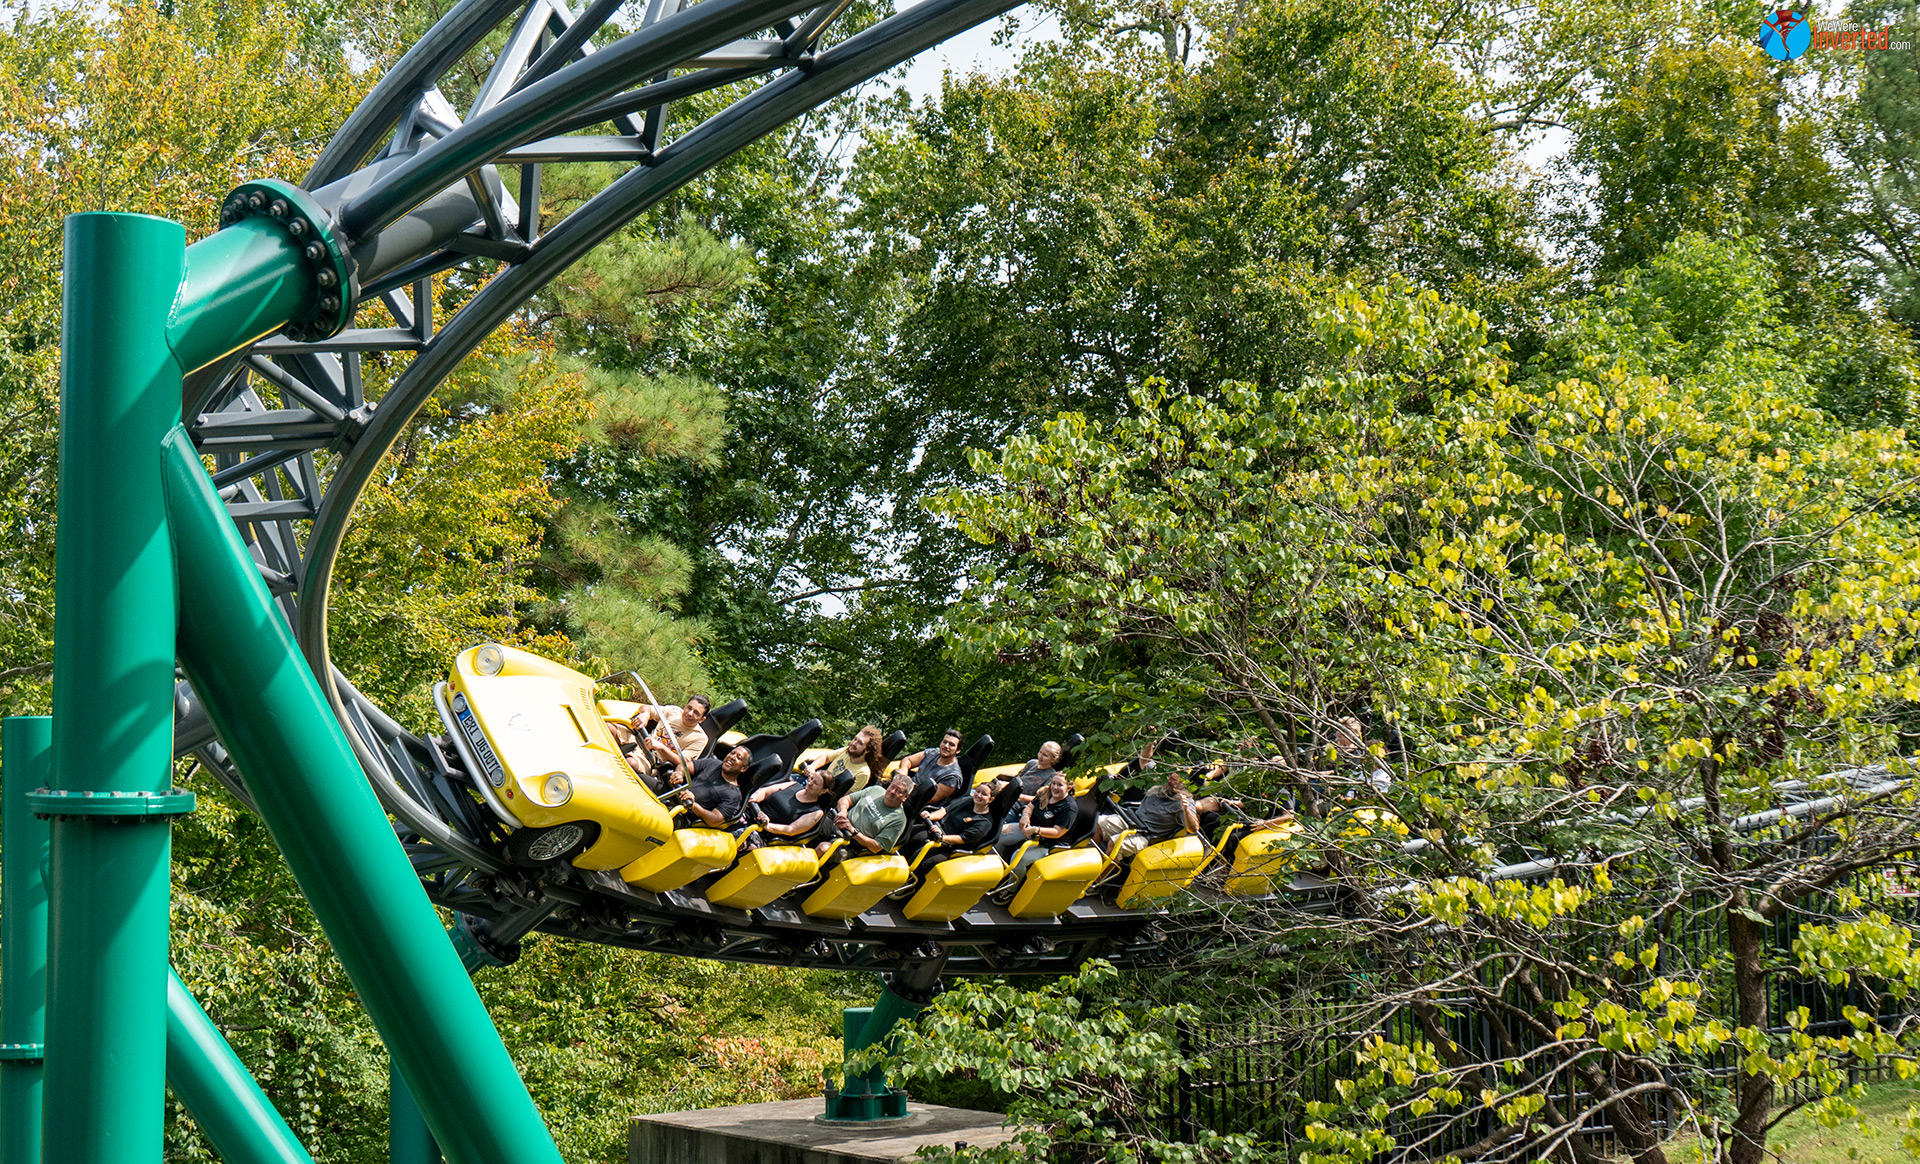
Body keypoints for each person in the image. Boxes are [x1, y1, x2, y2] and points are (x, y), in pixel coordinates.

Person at [608, 694, 711, 792]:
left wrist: (661, 748)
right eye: (689, 708)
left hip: (652, 759)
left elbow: (683, 762)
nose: (689, 713)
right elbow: (646, 707)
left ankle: (609, 782)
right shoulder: (674, 711)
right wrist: (646, 714)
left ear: (702, 719)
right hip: (641, 740)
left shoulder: (700, 738)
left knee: (631, 763)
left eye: (696, 713)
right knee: (608, 728)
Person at [998, 772, 1078, 862]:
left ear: (1068, 788)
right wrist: (1025, 816)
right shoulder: (1046, 793)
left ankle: (1012, 876)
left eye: (1060, 785)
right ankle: (997, 863)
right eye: (1053, 783)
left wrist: (1036, 830)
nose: (1055, 787)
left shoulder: (1069, 808)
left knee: (1019, 858)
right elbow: (1030, 807)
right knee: (999, 835)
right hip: (1029, 829)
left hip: (1048, 843)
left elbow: (1057, 832)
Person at [829, 774, 912, 857]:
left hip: (852, 845)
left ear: (905, 797)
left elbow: (876, 847)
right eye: (892, 787)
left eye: (898, 791)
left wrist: (852, 830)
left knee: (824, 848)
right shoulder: (876, 790)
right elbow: (846, 799)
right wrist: (843, 812)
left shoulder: (899, 820)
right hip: (837, 824)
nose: (893, 792)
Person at [749, 766, 833, 842]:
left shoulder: (815, 812)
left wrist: (767, 825)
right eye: (811, 779)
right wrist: (755, 798)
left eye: (815, 783)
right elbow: (765, 791)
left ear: (824, 791)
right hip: (752, 814)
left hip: (763, 833)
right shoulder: (794, 785)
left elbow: (790, 830)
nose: (810, 783)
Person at [673, 744, 748, 828]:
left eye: (739, 757)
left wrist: (693, 804)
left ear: (743, 769)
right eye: (732, 753)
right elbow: (685, 766)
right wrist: (679, 773)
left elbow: (714, 820)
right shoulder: (713, 763)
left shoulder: (734, 796)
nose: (733, 757)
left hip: (683, 815)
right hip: (673, 795)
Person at [925, 778, 1002, 856]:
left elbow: (961, 839)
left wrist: (941, 837)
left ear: (991, 799)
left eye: (984, 794)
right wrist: (929, 816)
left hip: (946, 845)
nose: (979, 795)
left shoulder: (984, 823)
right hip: (934, 828)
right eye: (978, 791)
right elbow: (945, 810)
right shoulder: (968, 800)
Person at [806, 725, 885, 794]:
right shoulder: (847, 751)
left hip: (820, 794)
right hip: (814, 783)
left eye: (860, 743)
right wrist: (812, 767)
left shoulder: (863, 773)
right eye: (855, 739)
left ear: (868, 750)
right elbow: (825, 757)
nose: (854, 743)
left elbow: (843, 795)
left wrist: (818, 787)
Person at [902, 728, 967, 807]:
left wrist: (906, 788)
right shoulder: (932, 753)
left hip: (915, 805)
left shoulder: (953, 777)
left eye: (951, 745)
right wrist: (903, 773)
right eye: (945, 742)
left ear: (958, 750)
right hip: (904, 789)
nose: (946, 746)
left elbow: (930, 798)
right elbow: (908, 760)